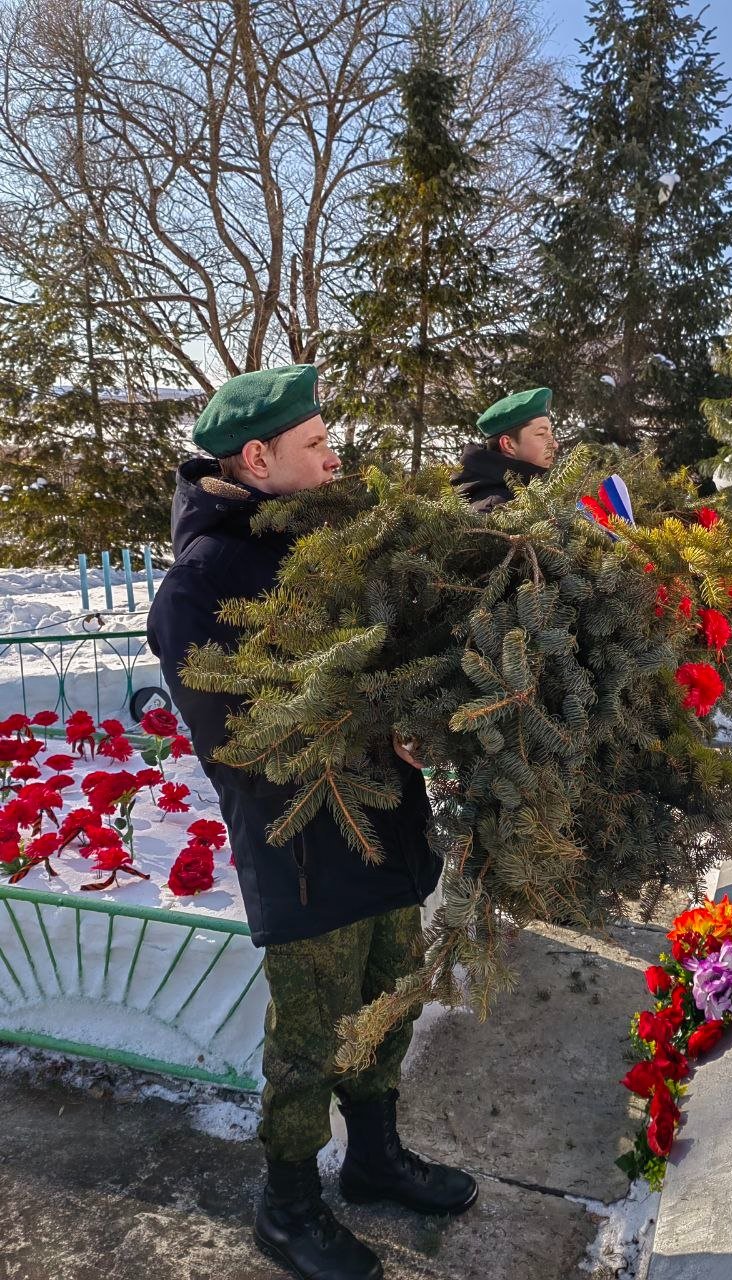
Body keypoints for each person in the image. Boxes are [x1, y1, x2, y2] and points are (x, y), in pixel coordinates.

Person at [147, 364, 476, 1280]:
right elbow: (246, 744)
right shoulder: (203, 585)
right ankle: (286, 1206)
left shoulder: (334, 549)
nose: (337, 459)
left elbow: (387, 666)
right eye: (317, 445)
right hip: (306, 854)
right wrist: (379, 727)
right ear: (257, 458)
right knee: (311, 1037)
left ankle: (373, 1160)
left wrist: (419, 719)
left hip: (388, 839)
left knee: (388, 1005)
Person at [451, 386, 557, 512]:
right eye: (541, 434)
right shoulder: (497, 510)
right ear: (508, 445)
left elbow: (584, 519)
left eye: (551, 435)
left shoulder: (535, 491)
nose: (555, 444)